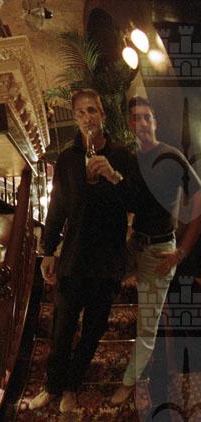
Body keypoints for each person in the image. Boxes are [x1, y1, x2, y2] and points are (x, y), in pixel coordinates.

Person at [29, 88, 134, 413]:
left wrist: (113, 177)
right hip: (74, 258)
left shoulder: (122, 156)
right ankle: (52, 386)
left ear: (103, 115)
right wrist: (48, 250)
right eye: (80, 112)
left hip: (108, 261)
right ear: (75, 118)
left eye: (92, 110)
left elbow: (136, 202)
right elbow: (58, 207)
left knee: (92, 332)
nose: (87, 117)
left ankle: (71, 387)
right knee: (61, 329)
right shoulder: (67, 159)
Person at [110, 96, 201, 404]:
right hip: (134, 246)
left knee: (147, 326)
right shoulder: (131, 160)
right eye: (136, 118)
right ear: (130, 124)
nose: (142, 123)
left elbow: (199, 201)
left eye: (147, 117)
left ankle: (129, 381)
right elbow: (130, 204)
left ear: (155, 122)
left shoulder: (171, 156)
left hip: (161, 251)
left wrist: (181, 253)